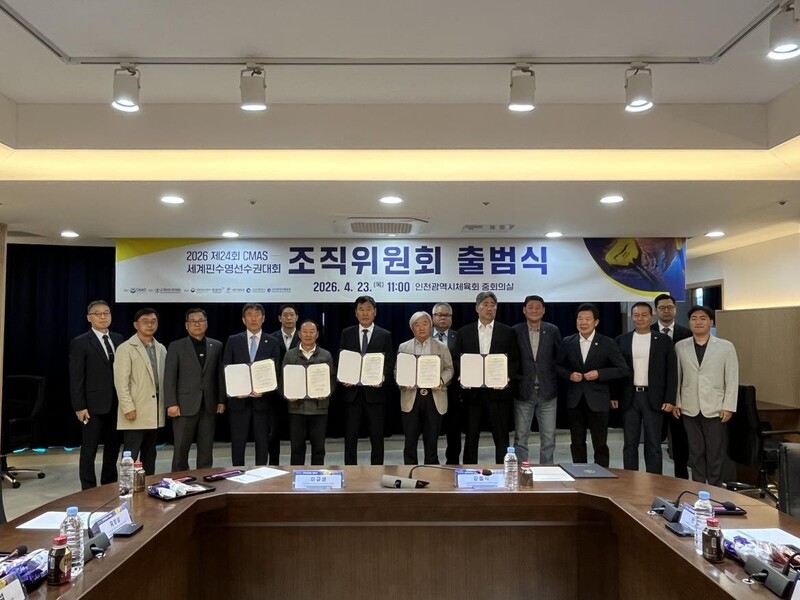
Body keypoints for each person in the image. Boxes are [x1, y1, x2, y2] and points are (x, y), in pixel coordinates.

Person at [556, 303, 628, 468]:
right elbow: (557, 366)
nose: (583, 322)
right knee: (577, 442)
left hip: (598, 400)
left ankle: (601, 474)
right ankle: (579, 474)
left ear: (596, 322)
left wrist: (599, 374)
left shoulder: (607, 342)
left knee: (600, 443)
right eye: (580, 319)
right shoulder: (568, 342)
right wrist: (569, 375)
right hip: (575, 400)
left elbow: (622, 369)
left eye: (588, 319)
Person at [674, 305, 739, 486]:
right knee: (695, 451)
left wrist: (728, 406)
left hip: (716, 407)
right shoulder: (680, 346)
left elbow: (732, 378)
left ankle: (716, 489)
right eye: (694, 318)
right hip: (689, 406)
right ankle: (698, 487)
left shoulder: (726, 347)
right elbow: (677, 377)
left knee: (715, 452)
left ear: (711, 322)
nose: (698, 322)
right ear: (689, 322)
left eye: (703, 318)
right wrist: (677, 402)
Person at [457, 292, 520, 465]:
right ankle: (469, 469)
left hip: (498, 393)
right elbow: (457, 359)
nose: (489, 308)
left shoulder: (507, 332)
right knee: (471, 435)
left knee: (501, 436)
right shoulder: (464, 332)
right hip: (473, 393)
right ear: (477, 308)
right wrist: (463, 375)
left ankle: (503, 470)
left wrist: (506, 377)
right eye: (485, 304)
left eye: (493, 305)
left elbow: (514, 359)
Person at [614, 302, 677, 474]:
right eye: (636, 315)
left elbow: (671, 371)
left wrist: (670, 399)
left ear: (651, 316)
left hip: (654, 397)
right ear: (631, 317)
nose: (639, 318)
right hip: (630, 397)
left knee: (654, 443)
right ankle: (630, 479)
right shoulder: (622, 340)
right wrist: (614, 395)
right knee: (630, 443)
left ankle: (654, 480)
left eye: (644, 315)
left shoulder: (663, 340)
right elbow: (616, 371)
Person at [69, 300, 124, 489]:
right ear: (89, 318)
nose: (103, 317)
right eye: (98, 313)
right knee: (89, 449)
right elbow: (76, 377)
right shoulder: (80, 342)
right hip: (91, 405)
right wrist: (79, 406)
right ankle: (88, 488)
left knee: (113, 447)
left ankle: (109, 484)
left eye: (106, 313)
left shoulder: (119, 339)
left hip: (117, 404)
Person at [163, 308, 225, 472]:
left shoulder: (216, 345)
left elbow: (219, 375)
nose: (197, 324)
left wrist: (221, 400)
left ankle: (204, 479)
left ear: (206, 323)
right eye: (193, 321)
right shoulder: (176, 346)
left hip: (209, 405)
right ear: (186, 325)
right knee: (180, 451)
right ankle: (179, 480)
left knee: (206, 450)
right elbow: (170, 377)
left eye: (201, 321)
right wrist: (171, 403)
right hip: (183, 406)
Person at [222, 303, 282, 466]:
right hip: (238, 401)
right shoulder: (233, 340)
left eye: (257, 315)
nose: (253, 318)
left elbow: (276, 370)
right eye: (249, 315)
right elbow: (226, 368)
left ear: (263, 318)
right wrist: (235, 391)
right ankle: (237, 472)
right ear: (243, 319)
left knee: (263, 442)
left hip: (263, 401)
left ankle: (261, 473)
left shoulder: (273, 341)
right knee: (238, 442)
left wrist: (265, 390)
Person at [338, 295, 394, 465]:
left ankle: (377, 469)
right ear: (355, 313)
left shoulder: (384, 335)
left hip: (375, 394)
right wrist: (344, 376)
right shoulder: (347, 333)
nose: (365, 313)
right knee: (350, 436)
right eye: (361, 309)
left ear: (375, 312)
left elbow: (389, 363)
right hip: (352, 393)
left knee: (377, 436)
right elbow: (342, 359)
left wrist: (381, 378)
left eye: (368, 309)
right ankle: (350, 469)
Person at [113, 308, 167, 475]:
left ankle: (148, 483)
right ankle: (126, 484)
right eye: (145, 321)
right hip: (135, 410)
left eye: (153, 321)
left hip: (154, 410)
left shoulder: (161, 348)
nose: (150, 325)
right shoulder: (125, 348)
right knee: (130, 453)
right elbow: (121, 382)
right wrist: (127, 407)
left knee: (150, 452)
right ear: (136, 325)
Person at [397, 311, 454, 465]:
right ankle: (409, 471)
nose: (421, 328)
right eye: (417, 324)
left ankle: (431, 472)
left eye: (425, 323)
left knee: (432, 442)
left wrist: (441, 380)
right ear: (412, 328)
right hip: (411, 397)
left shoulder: (441, 347)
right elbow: (397, 370)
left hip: (434, 397)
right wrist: (403, 381)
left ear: (431, 326)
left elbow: (449, 369)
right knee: (410, 441)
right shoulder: (404, 347)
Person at [512, 295, 562, 464]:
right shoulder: (515, 331)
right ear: (524, 310)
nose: (534, 310)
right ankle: (521, 471)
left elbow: (559, 358)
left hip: (547, 392)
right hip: (523, 391)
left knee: (548, 438)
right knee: (520, 437)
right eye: (531, 307)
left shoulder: (552, 330)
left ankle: (547, 471)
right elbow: (512, 360)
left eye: (538, 307)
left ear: (544, 310)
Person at [282, 319, 335, 465]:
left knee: (318, 448)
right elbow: (283, 379)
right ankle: (295, 475)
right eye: (305, 332)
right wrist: (287, 395)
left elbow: (332, 379)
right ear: (299, 334)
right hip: (296, 409)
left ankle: (317, 475)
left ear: (317, 334)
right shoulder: (290, 355)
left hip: (319, 409)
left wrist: (327, 392)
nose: (308, 335)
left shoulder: (326, 355)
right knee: (296, 449)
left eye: (312, 332)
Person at [652, 293, 692, 480]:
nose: (666, 311)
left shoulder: (687, 334)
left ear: (675, 309)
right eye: (662, 308)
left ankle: (681, 480)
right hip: (654, 396)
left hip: (679, 396)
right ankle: (655, 480)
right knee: (654, 441)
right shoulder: (647, 331)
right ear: (656, 310)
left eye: (670, 307)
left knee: (680, 441)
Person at [432, 302, 462, 464]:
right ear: (433, 317)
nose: (442, 318)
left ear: (451, 318)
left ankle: (453, 462)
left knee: (454, 429)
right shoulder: (424, 335)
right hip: (430, 390)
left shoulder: (459, 336)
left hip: (453, 391)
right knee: (431, 429)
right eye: (439, 315)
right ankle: (432, 461)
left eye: (446, 315)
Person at [269, 303, 300, 463]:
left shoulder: (305, 336)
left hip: (299, 392)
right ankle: (274, 464)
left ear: (297, 317)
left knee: (297, 433)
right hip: (275, 393)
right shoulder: (270, 338)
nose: (288, 318)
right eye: (285, 315)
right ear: (279, 318)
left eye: (291, 315)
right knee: (273, 433)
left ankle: (296, 466)